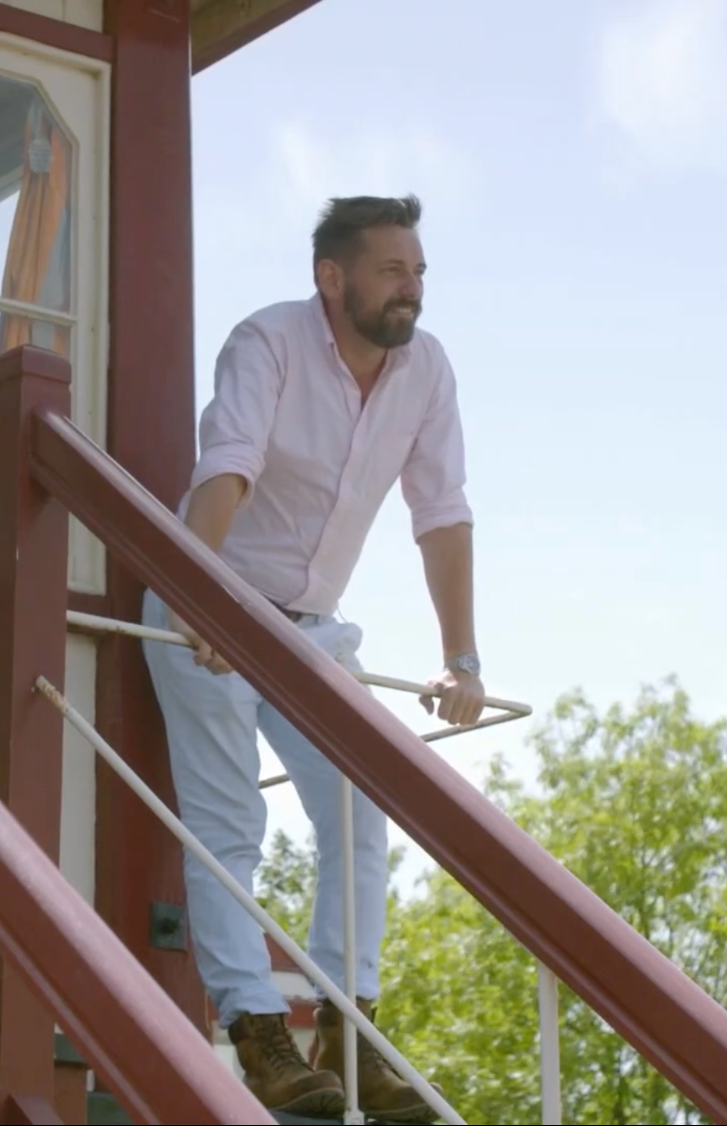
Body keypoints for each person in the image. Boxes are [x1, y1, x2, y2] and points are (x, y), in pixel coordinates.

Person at [141, 194, 483, 1123]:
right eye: (390, 270)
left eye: (417, 271)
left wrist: (462, 657)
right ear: (332, 279)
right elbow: (230, 464)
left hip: (315, 626)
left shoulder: (427, 370)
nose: (410, 288)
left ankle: (349, 1034)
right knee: (228, 823)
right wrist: (195, 591)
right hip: (207, 600)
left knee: (360, 806)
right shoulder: (270, 341)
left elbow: (441, 511)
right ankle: (257, 1030)